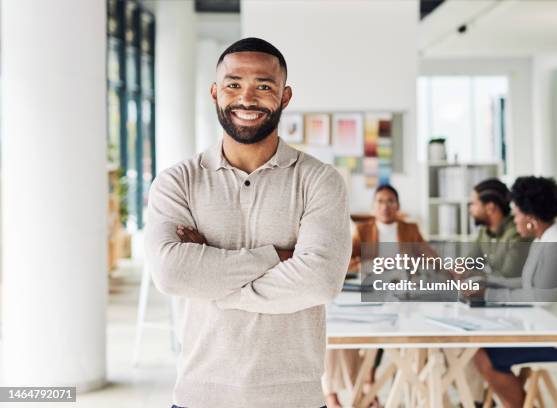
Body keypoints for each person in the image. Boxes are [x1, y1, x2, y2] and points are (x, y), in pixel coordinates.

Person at [145, 37, 352, 408]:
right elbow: (172, 274)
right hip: (199, 396)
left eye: (264, 86)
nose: (247, 98)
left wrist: (214, 279)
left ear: (285, 96)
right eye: (234, 84)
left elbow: (320, 281)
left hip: (294, 399)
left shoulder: (320, 180)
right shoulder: (178, 181)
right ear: (215, 92)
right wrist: (278, 256)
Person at [469, 176, 557, 408]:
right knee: (482, 348)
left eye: (517, 213)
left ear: (531, 219)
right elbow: (528, 283)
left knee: (485, 355)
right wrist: (490, 283)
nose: (514, 219)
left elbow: (540, 297)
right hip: (555, 327)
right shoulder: (545, 237)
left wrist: (488, 295)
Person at [322, 184, 433, 408]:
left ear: (398, 206)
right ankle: (351, 392)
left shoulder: (409, 229)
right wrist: (369, 265)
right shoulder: (363, 231)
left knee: (386, 332)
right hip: (367, 293)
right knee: (345, 333)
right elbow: (345, 262)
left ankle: (367, 387)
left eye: (390, 201)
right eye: (380, 201)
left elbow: (430, 257)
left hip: (398, 295)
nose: (385, 206)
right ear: (374, 207)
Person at [468, 178, 532, 279]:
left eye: (473, 204)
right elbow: (466, 265)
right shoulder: (484, 232)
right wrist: (438, 264)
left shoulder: (518, 233)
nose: (470, 209)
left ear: (490, 207)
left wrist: (473, 276)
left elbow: (508, 278)